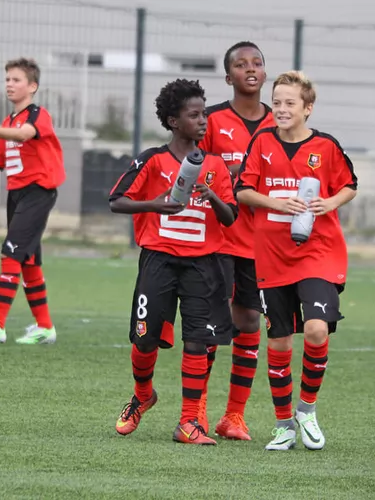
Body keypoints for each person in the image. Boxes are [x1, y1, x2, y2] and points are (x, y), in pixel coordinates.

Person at [109, 78, 237, 446]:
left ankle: (188, 422)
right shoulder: (152, 160)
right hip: (159, 261)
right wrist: (154, 204)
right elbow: (117, 201)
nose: (203, 121)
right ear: (173, 121)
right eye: (194, 115)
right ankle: (143, 395)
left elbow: (230, 218)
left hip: (202, 265)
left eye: (204, 114)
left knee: (197, 341)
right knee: (145, 340)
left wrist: (212, 195)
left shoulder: (214, 165)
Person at [235, 70, 358, 451]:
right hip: (272, 256)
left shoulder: (326, 146)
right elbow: (242, 191)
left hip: (318, 253)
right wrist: (277, 203)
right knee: (279, 341)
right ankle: (283, 424)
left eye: (290, 103)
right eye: (277, 103)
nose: (282, 109)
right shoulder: (262, 143)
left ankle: (307, 409)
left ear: (308, 108)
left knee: (317, 329)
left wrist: (330, 203)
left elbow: (349, 185)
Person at [197, 41, 274, 441]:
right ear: (229, 77)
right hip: (219, 239)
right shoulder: (211, 120)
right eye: (241, 64)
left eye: (257, 63)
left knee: (248, 322)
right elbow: (194, 170)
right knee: (213, 323)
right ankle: (197, 410)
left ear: (265, 73)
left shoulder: (280, 121)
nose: (250, 68)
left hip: (262, 244)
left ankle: (234, 416)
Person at [0, 57, 65, 345]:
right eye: (7, 80)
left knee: (10, 252)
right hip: (17, 195)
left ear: (32, 86)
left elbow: (25, 135)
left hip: (38, 193)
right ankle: (45, 327)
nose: (9, 84)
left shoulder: (38, 115)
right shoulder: (8, 122)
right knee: (28, 261)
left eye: (16, 80)